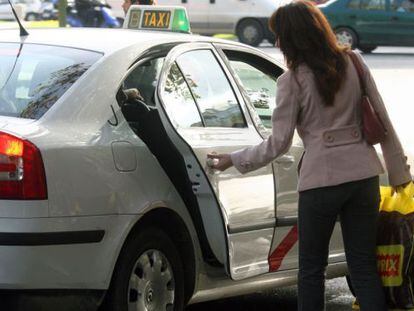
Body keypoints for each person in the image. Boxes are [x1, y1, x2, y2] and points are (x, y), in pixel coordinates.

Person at [207, 1, 412, 311]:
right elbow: (383, 121)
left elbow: (278, 143)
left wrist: (234, 159)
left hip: (321, 183)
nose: (276, 43)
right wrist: (399, 173)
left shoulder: (291, 81)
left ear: (294, 38)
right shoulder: (354, 63)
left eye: (279, 36)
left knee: (312, 271)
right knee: (363, 265)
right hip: (363, 175)